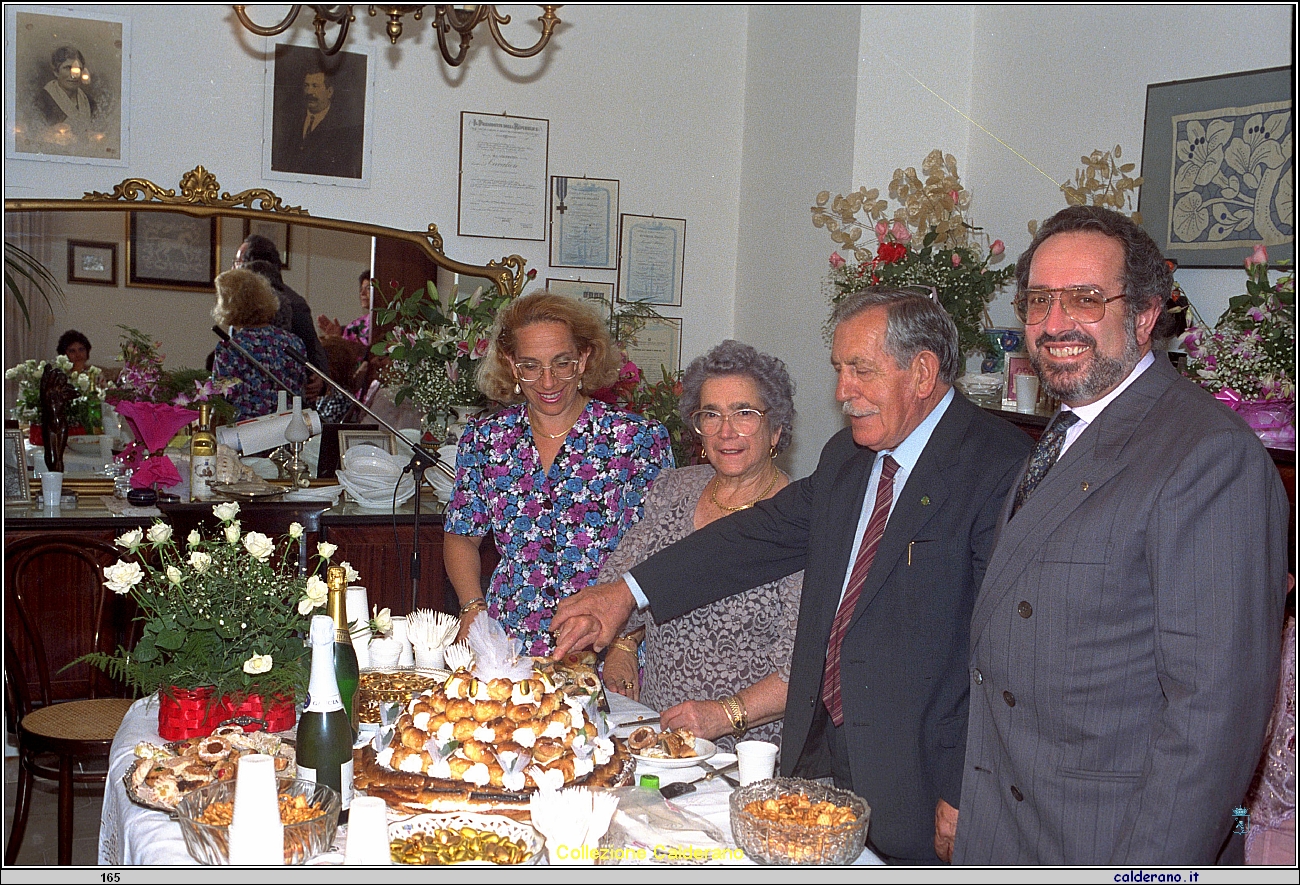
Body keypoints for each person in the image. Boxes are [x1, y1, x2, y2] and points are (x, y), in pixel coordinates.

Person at [553, 288, 1033, 864]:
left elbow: (1001, 651)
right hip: (835, 757)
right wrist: (626, 592)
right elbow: (755, 536)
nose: (842, 391)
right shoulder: (849, 456)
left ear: (923, 372)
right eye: (838, 369)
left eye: (860, 370)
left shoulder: (998, 465)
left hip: (926, 768)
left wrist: (962, 788)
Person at [953, 206, 1290, 865]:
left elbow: (1214, 719)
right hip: (1011, 827)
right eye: (1039, 300)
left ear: (1143, 316)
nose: (1054, 323)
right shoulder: (1066, 428)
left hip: (1107, 842)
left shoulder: (1209, 456)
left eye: (1084, 298)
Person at [444, 291, 674, 657]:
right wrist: (472, 607)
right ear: (511, 364)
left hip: (608, 643)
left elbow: (661, 552)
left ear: (584, 358)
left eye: (562, 363)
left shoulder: (636, 439)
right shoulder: (486, 439)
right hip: (509, 644)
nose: (548, 382)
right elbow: (461, 535)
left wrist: (627, 643)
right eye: (530, 366)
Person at [598, 340, 802, 752]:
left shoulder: (799, 518)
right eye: (711, 415)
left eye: (744, 413)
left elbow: (804, 666)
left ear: (776, 429)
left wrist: (724, 714)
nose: (726, 431)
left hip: (746, 747)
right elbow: (621, 586)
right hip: (657, 736)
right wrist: (624, 644)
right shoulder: (676, 489)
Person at [210, 268, 306, 420]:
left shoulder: (230, 348)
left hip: (245, 430)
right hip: (289, 427)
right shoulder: (294, 342)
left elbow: (221, 402)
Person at [236, 235, 327, 395]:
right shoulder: (239, 301)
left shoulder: (294, 304)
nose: (233, 269)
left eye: (237, 262)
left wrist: (320, 378)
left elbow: (314, 353)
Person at [273, 65, 363, 179]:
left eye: (315, 86)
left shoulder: (344, 127)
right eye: (306, 86)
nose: (309, 92)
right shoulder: (290, 119)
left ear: (329, 92)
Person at [36, 46, 96, 139]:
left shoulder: (90, 103)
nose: (73, 75)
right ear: (56, 72)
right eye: (68, 68)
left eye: (78, 69)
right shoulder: (42, 102)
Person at [317, 271, 373, 346]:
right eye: (361, 289)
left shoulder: (388, 322)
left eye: (368, 288)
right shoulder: (354, 327)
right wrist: (338, 338)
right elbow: (346, 351)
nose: (362, 293)